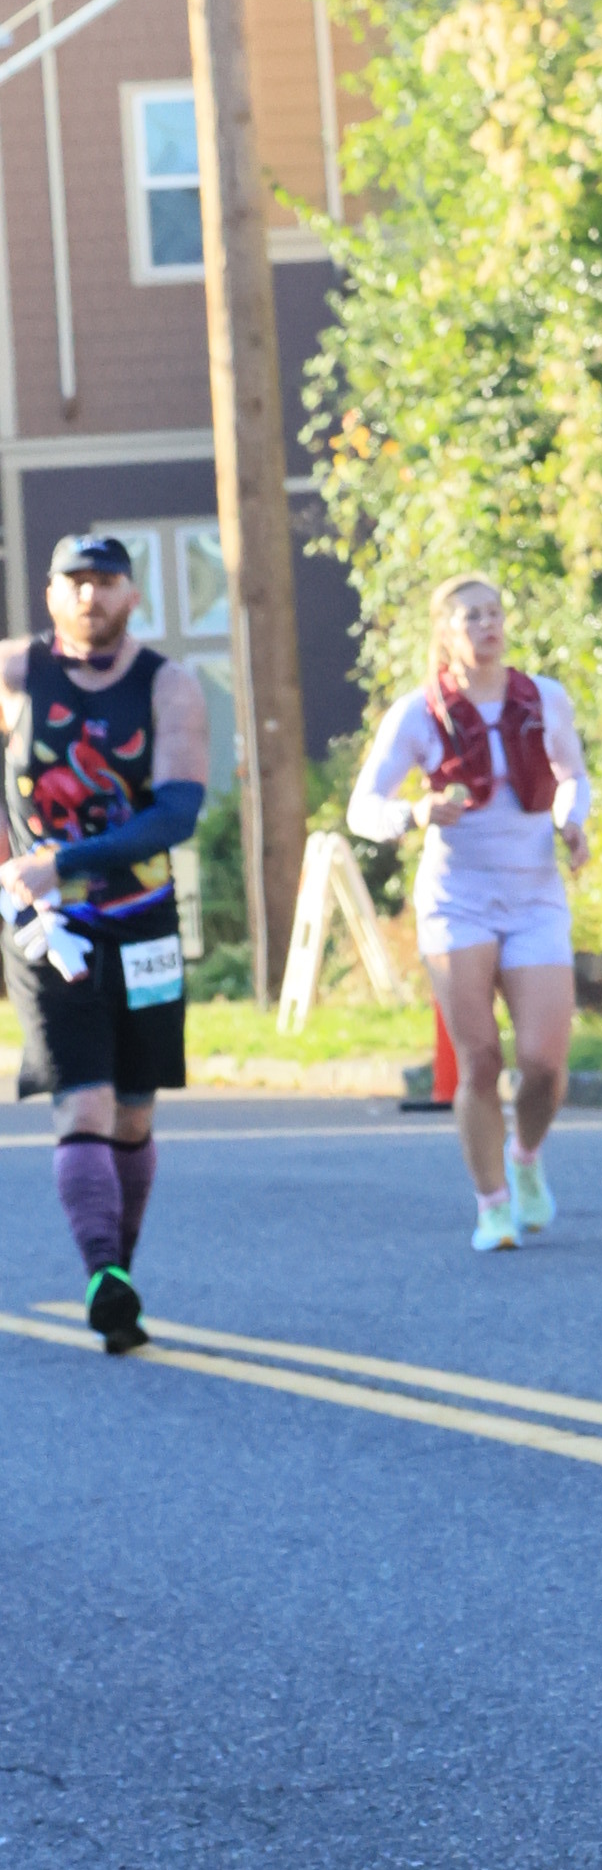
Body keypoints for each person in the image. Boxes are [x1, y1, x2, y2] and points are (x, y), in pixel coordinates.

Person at [0, 531, 209, 1351]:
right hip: (49, 931)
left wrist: (66, 859)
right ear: (51, 594)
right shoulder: (16, 674)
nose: (92, 595)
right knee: (82, 1100)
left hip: (144, 922)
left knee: (133, 1111)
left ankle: (117, 1271)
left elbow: (177, 812)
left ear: (132, 594)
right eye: (76, 581)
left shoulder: (168, 685)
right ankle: (101, 1271)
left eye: (107, 580)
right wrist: (21, 879)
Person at [349, 578, 592, 1252]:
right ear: (445, 632)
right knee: (480, 1058)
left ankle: (525, 1157)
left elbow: (572, 775)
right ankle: (492, 1207)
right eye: (471, 616)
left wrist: (572, 822)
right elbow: (363, 808)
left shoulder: (543, 698)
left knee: (543, 1061)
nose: (487, 625)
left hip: (534, 894)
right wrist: (415, 812)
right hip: (457, 900)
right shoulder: (418, 713)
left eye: (494, 613)